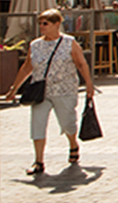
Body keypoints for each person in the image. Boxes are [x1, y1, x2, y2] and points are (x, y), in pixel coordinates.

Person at [4, 9, 95, 176]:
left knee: (67, 122)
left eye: (45, 23)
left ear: (57, 24)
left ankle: (73, 144)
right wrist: (14, 88)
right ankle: (38, 161)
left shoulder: (69, 42)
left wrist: (89, 84)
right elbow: (27, 68)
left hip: (65, 89)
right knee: (37, 124)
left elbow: (81, 64)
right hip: (41, 91)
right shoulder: (35, 45)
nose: (41, 26)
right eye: (40, 23)